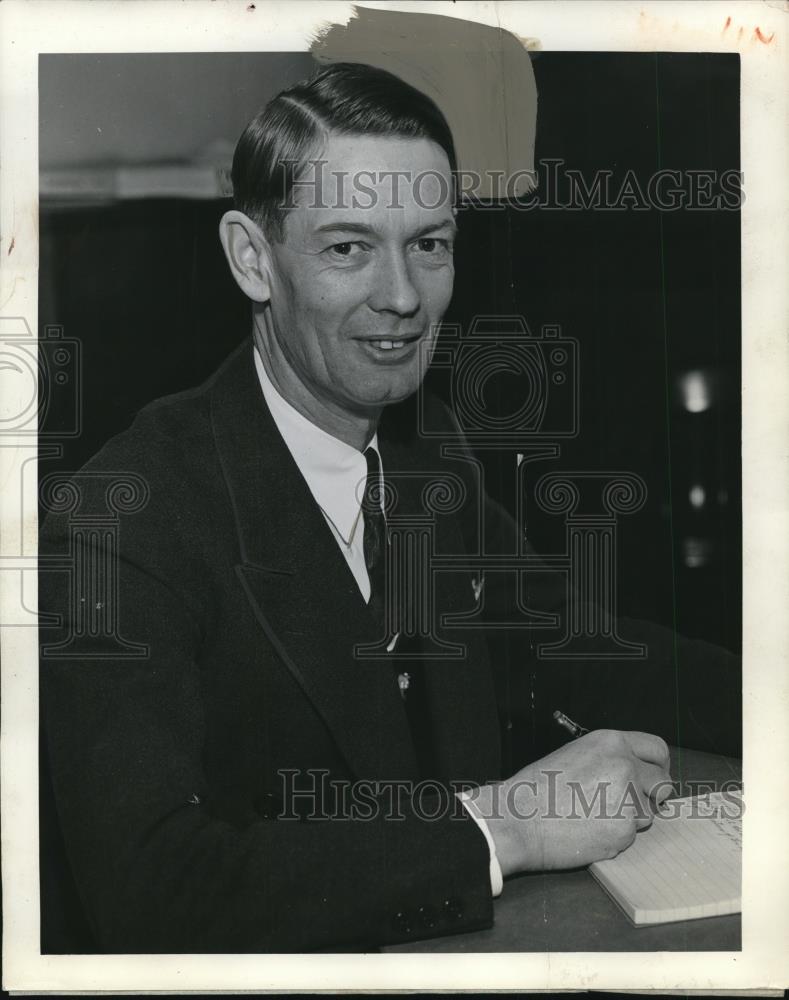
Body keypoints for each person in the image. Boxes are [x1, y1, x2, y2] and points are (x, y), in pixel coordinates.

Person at [39, 62, 739, 953]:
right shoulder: (122, 520)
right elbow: (150, 889)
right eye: (347, 247)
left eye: (430, 243)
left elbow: (564, 646)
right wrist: (503, 828)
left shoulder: (426, 447)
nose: (403, 296)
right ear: (252, 258)